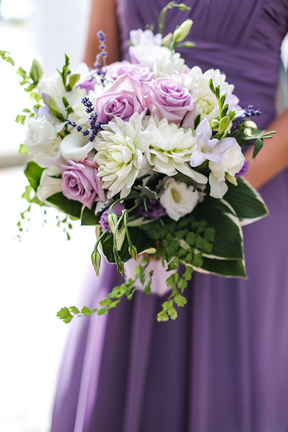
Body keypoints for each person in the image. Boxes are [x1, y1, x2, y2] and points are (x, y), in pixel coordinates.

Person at [51, 1, 288, 431]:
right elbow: (97, 61)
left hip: (247, 208)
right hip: (135, 209)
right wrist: (109, 172)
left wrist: (212, 187)